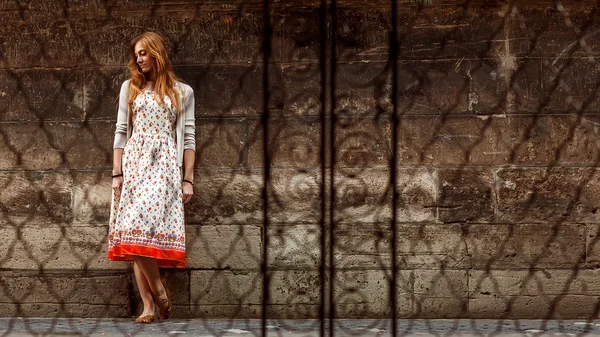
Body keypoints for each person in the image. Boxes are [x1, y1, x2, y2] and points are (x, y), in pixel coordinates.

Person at [108, 31, 196, 324]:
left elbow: (189, 138)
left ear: (157, 53)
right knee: (134, 230)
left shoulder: (182, 92)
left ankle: (155, 293)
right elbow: (121, 132)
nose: (139, 59)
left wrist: (188, 179)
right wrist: (117, 173)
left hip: (164, 166)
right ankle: (150, 302)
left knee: (144, 231)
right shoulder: (129, 87)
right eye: (136, 54)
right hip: (134, 164)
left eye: (144, 53)